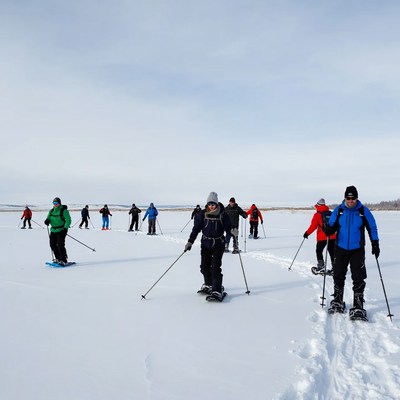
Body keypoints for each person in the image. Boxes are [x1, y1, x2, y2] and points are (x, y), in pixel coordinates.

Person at [324, 186, 379, 319]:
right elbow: (332, 225)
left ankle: (358, 305)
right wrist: (328, 229)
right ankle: (337, 300)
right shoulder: (339, 210)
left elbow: (372, 227)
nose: (350, 200)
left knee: (358, 277)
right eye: (348, 198)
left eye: (353, 198)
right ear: (345, 198)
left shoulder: (363, 211)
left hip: (357, 249)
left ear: (356, 198)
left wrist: (375, 243)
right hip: (341, 248)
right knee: (338, 274)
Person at [184, 192, 232, 300]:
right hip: (205, 244)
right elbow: (196, 229)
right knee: (204, 267)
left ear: (216, 204)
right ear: (207, 204)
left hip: (218, 244)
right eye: (210, 204)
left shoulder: (222, 214)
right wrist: (190, 242)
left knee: (215, 267)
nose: (211, 206)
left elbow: (229, 227)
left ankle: (216, 290)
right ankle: (209, 285)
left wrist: (233, 231)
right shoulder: (202, 214)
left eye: (213, 204)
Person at [303, 198, 336, 275]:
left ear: (318, 206)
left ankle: (321, 267)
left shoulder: (317, 215)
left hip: (322, 237)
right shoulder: (331, 213)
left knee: (319, 251)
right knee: (332, 252)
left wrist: (307, 233)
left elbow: (313, 226)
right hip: (332, 236)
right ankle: (335, 268)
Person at [44, 197, 71, 265]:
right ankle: (58, 258)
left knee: (60, 245)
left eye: (56, 203)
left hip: (61, 230)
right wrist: (47, 221)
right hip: (53, 230)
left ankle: (63, 260)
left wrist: (65, 228)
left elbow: (68, 220)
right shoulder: (51, 211)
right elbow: (49, 218)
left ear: (59, 203)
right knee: (52, 245)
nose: (55, 204)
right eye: (54, 203)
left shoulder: (64, 211)